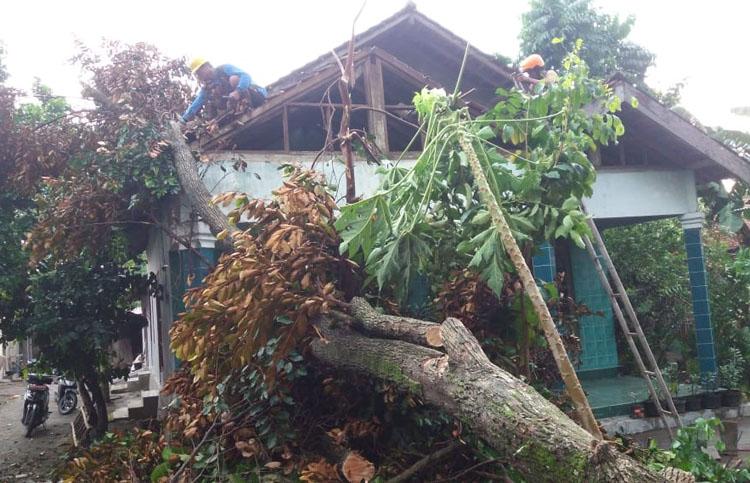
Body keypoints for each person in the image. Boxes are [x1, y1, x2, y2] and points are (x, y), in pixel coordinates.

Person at [180, 58, 268, 123]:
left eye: (200, 72)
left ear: (207, 66)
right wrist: (184, 119)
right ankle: (237, 112)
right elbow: (198, 102)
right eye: (198, 74)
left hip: (257, 95)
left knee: (234, 79)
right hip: (239, 106)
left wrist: (238, 91)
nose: (200, 75)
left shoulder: (224, 69)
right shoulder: (208, 86)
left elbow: (246, 76)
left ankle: (248, 107)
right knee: (213, 99)